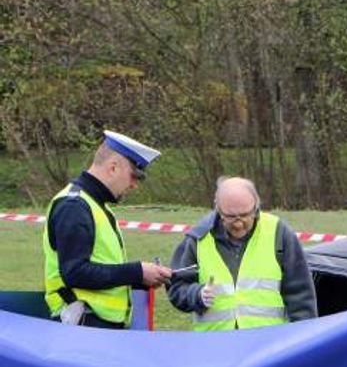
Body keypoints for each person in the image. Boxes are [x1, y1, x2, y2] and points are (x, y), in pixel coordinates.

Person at [43, 130, 172, 329]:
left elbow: (100, 267)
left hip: (94, 325)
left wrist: (142, 277)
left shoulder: (94, 205)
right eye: (134, 176)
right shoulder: (74, 206)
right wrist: (136, 272)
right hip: (83, 326)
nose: (135, 185)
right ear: (113, 168)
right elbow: (75, 273)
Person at [166, 176, 317, 330]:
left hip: (268, 344)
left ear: (256, 207)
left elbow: (301, 296)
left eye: (245, 215)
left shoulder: (279, 233)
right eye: (231, 217)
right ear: (218, 209)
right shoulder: (198, 238)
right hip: (215, 345)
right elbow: (176, 287)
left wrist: (303, 339)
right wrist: (196, 295)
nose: (238, 224)